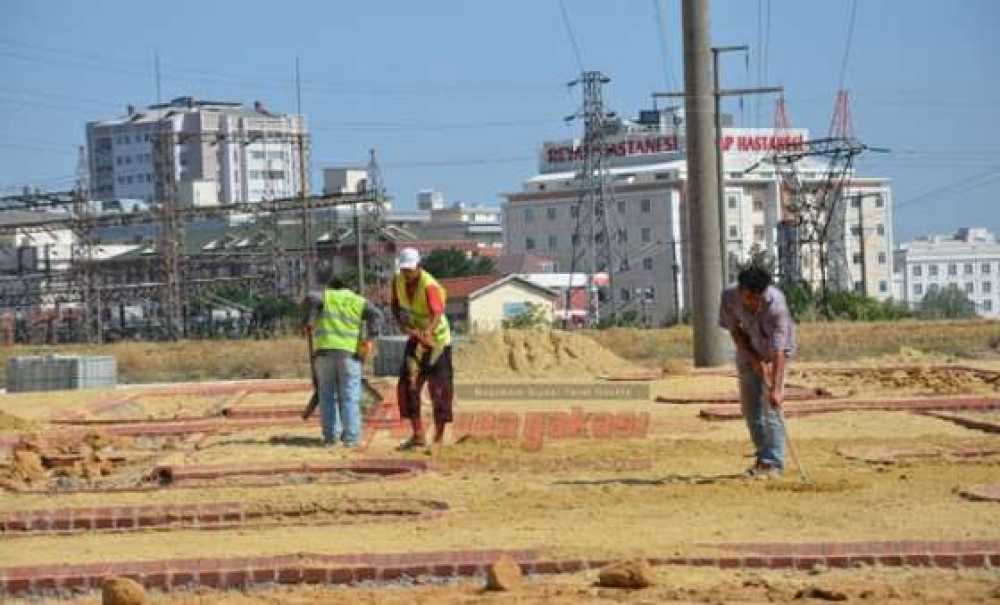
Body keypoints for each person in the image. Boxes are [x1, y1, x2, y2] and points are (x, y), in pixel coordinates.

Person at [718, 265, 797, 477]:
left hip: (774, 353)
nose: (755, 302)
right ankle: (763, 458)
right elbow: (735, 331)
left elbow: (779, 350)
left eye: (758, 297)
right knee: (750, 410)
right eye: (750, 297)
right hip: (748, 348)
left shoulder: (776, 306)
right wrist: (753, 359)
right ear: (741, 291)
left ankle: (774, 463)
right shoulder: (729, 297)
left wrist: (777, 389)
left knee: (771, 407)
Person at [302, 272, 382, 448]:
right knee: (350, 396)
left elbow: (310, 298)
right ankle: (351, 439)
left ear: (331, 286)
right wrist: (370, 338)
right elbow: (376, 315)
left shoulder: (324, 296)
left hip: (324, 354)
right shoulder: (357, 301)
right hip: (349, 355)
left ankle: (330, 437)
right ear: (349, 287)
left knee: (326, 396)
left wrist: (310, 319)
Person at [392, 247, 454, 450]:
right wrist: (402, 324)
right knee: (407, 386)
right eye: (403, 270)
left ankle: (438, 437)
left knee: (440, 389)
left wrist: (428, 332)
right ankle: (418, 434)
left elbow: (437, 313)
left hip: (438, 342)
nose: (406, 274)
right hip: (416, 337)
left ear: (418, 267)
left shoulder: (430, 285)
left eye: (410, 270)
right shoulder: (398, 281)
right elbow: (395, 306)